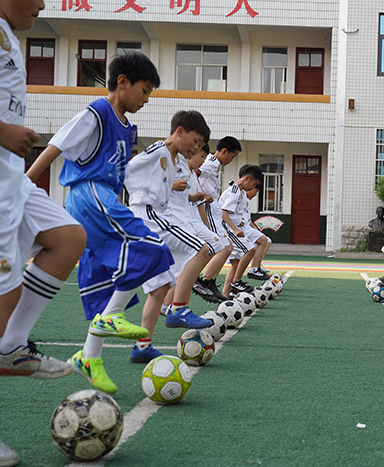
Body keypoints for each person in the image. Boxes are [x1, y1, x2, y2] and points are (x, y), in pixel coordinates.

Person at [25, 53, 172, 394]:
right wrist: (25, 182)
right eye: (145, 90)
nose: (147, 99)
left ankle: (89, 356)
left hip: (102, 198)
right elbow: (56, 145)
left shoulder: (126, 126)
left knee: (106, 277)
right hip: (89, 194)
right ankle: (109, 318)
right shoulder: (97, 112)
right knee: (152, 249)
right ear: (122, 82)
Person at [1, 1, 85, 463]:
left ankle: (12, 346)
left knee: (68, 239)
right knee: (1, 294)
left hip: (12, 178)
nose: (43, 4)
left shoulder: (10, 33)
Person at [124, 110, 215, 339]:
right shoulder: (158, 152)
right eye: (195, 142)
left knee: (160, 286)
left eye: (200, 145)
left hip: (150, 217)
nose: (196, 149)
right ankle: (178, 308)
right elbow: (125, 173)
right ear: (179, 131)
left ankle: (142, 345)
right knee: (203, 249)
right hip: (148, 216)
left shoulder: (173, 159)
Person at [174, 144, 233, 304]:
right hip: (181, 219)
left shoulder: (191, 174)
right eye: (200, 156)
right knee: (218, 247)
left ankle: (198, 284)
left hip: (197, 216)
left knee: (218, 247)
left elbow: (193, 195)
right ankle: (202, 281)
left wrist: (196, 197)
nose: (203, 161)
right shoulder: (209, 164)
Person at [194, 137, 242, 298]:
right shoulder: (212, 162)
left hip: (213, 209)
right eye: (232, 156)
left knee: (226, 247)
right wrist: (201, 194)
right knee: (222, 247)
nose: (231, 160)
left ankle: (207, 280)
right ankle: (201, 279)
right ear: (224, 151)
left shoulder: (215, 163)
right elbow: (194, 172)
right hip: (207, 209)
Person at [220, 165, 264, 295]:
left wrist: (241, 222)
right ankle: (236, 283)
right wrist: (235, 228)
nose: (253, 188)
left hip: (232, 228)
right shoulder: (235, 191)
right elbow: (224, 213)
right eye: (254, 184)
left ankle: (227, 295)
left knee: (235, 264)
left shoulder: (240, 192)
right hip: (228, 229)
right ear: (246, 178)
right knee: (251, 250)